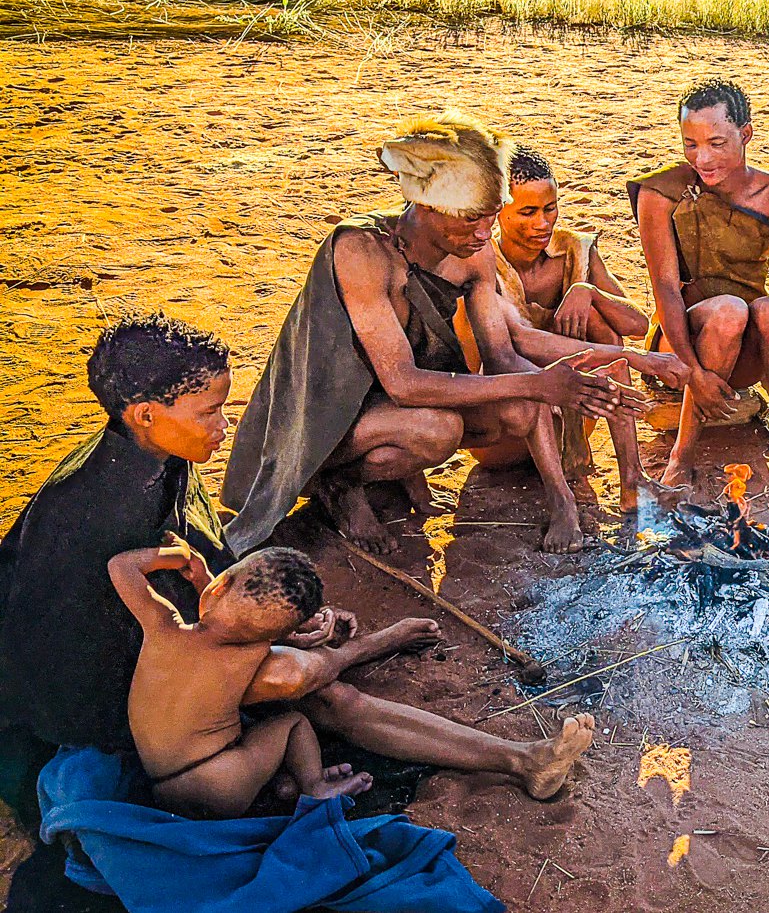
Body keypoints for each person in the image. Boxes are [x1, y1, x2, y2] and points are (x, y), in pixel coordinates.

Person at [0, 313, 594, 843]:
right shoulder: (101, 508)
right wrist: (256, 649)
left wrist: (282, 621)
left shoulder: (154, 459)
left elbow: (208, 564)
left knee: (310, 677)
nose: (225, 426)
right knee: (310, 686)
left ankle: (520, 758)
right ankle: (520, 760)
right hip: (96, 701)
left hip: (169, 655)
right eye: (209, 412)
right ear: (147, 414)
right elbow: (84, 649)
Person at [222, 111, 649, 557]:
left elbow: (502, 355)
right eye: (469, 220)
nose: (484, 234)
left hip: (399, 402)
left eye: (489, 218)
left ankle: (560, 498)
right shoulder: (362, 249)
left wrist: (563, 381)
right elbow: (403, 383)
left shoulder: (474, 248)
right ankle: (337, 482)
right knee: (437, 429)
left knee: (524, 401)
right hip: (329, 411)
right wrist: (541, 382)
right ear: (426, 207)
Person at [631, 79, 769, 522]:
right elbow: (666, 290)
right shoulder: (663, 192)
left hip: (745, 343)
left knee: (768, 310)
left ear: (745, 135)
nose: (702, 158)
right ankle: (681, 459)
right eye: (690, 144)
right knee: (730, 310)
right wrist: (690, 371)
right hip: (680, 341)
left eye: (716, 143)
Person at [473, 143, 681, 516]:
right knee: (555, 364)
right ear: (497, 212)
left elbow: (636, 325)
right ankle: (561, 501)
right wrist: (633, 358)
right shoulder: (482, 261)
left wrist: (588, 291)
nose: (543, 223)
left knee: (603, 324)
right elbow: (520, 343)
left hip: (574, 417)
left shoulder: (574, 249)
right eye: (527, 212)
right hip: (508, 428)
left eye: (550, 208)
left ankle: (631, 478)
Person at [110, 537, 374, 818]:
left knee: (259, 743)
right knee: (292, 723)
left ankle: (298, 785)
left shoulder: (164, 628)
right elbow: (234, 618)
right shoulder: (256, 650)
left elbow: (121, 566)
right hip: (226, 783)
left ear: (220, 585)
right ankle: (314, 783)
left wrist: (180, 556)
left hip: (165, 789)